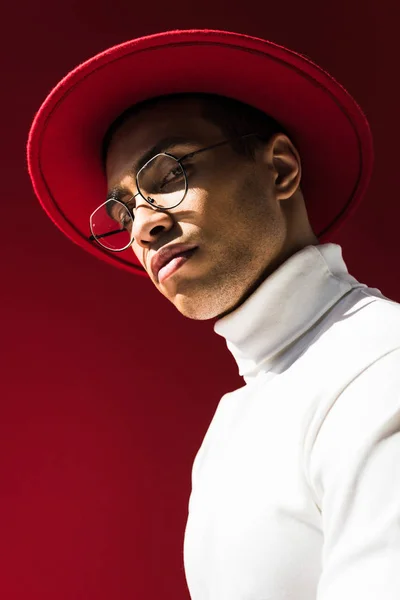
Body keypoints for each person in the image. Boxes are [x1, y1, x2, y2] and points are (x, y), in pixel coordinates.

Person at [27, 29, 400, 600]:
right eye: (123, 208)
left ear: (279, 169)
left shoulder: (381, 365)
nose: (142, 226)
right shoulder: (239, 416)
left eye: (170, 173)